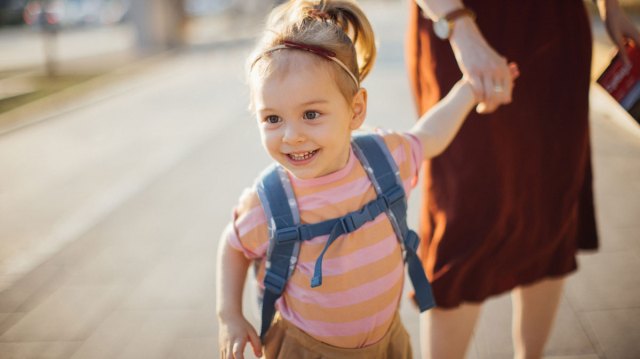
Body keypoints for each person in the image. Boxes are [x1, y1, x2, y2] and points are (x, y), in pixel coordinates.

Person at [215, 1, 517, 358]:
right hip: (304, 348)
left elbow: (430, 137)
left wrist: (469, 90)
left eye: (311, 114)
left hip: (385, 343)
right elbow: (235, 246)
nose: (291, 135)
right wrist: (229, 315)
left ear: (356, 110)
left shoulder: (383, 160)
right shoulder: (270, 201)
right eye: (272, 119)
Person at [406, 0, 640, 358]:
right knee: (463, 221)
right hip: (461, 25)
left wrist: (611, 9)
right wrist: (459, 27)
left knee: (550, 207)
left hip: (556, 29)